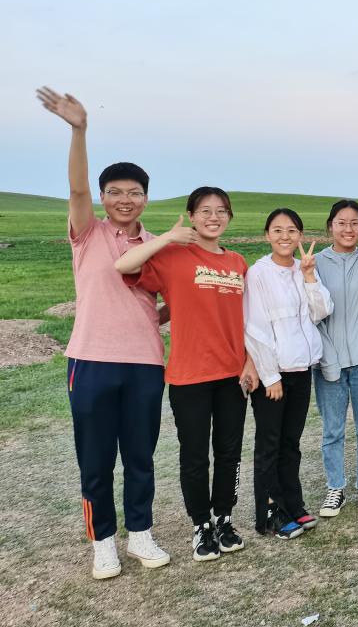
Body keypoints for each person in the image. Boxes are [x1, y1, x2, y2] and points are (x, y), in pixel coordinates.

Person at [36, 87, 170, 579]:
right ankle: (103, 542)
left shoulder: (156, 245)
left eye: (133, 192)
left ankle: (141, 533)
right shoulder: (87, 232)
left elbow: (166, 303)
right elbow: (76, 191)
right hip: (90, 360)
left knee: (140, 455)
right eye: (115, 192)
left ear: (145, 198)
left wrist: (157, 318)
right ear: (103, 198)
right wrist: (79, 130)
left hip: (145, 363)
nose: (125, 200)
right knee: (95, 459)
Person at [115, 187, 250, 563]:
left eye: (221, 211)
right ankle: (201, 525)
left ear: (229, 217)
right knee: (195, 455)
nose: (213, 217)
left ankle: (224, 519)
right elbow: (123, 265)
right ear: (191, 216)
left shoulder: (238, 262)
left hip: (232, 373)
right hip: (189, 374)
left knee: (229, 451)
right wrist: (168, 238)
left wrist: (251, 362)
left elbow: (248, 319)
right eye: (205, 210)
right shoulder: (173, 256)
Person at [244, 209, 333, 539]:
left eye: (292, 230)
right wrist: (270, 376)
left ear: (300, 235)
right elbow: (255, 327)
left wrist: (309, 276)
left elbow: (321, 311)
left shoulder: (303, 268)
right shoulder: (259, 273)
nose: (285, 236)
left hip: (301, 369)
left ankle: (293, 505)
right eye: (278, 230)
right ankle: (270, 513)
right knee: (269, 444)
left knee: (291, 443)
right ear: (267, 235)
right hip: (275, 373)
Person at [313, 200, 358, 517]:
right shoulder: (316, 262)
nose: (348, 228)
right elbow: (312, 309)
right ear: (330, 226)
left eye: (355, 223)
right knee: (332, 429)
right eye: (341, 222)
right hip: (328, 359)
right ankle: (335, 488)